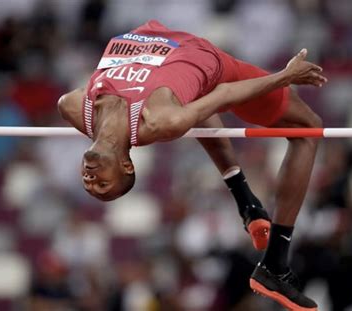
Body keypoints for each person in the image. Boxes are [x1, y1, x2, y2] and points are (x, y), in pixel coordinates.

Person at [58, 20, 326, 310]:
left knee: (187, 105)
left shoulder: (73, 107)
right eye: (102, 185)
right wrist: (285, 76)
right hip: (211, 64)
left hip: (148, 38)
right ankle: (275, 263)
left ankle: (247, 204)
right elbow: (223, 94)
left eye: (89, 184)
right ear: (126, 165)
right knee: (308, 129)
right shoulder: (160, 121)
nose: (90, 180)